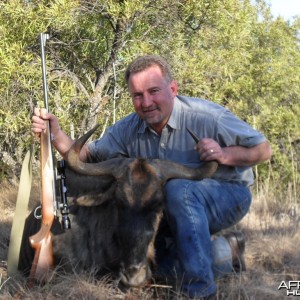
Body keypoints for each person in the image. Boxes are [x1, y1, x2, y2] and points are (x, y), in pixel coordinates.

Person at [32, 54, 272, 299]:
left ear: (173, 88)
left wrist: (223, 153)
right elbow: (85, 157)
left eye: (153, 91)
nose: (146, 102)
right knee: (159, 268)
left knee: (179, 190)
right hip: (168, 207)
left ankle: (199, 291)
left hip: (227, 194)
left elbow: (263, 150)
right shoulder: (128, 128)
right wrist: (56, 133)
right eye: (137, 95)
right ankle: (225, 251)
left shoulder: (207, 116)